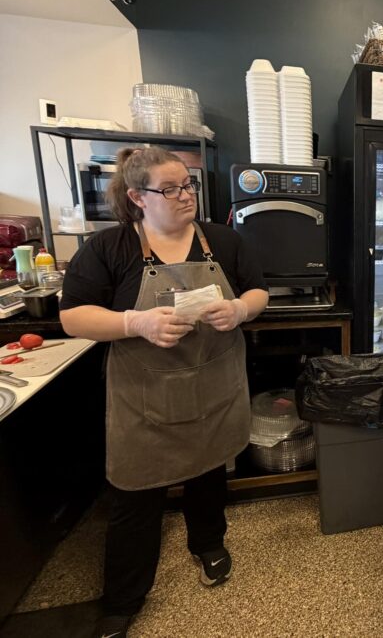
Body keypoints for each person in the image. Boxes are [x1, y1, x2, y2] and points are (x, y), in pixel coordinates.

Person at [59, 147, 268, 638]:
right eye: (169, 188)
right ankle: (124, 598)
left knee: (209, 473)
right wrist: (136, 321)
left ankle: (208, 544)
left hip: (212, 388)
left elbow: (258, 292)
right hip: (145, 400)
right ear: (137, 197)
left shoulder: (223, 241)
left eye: (188, 185)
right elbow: (73, 317)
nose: (184, 196)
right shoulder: (110, 249)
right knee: (137, 495)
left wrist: (239, 310)